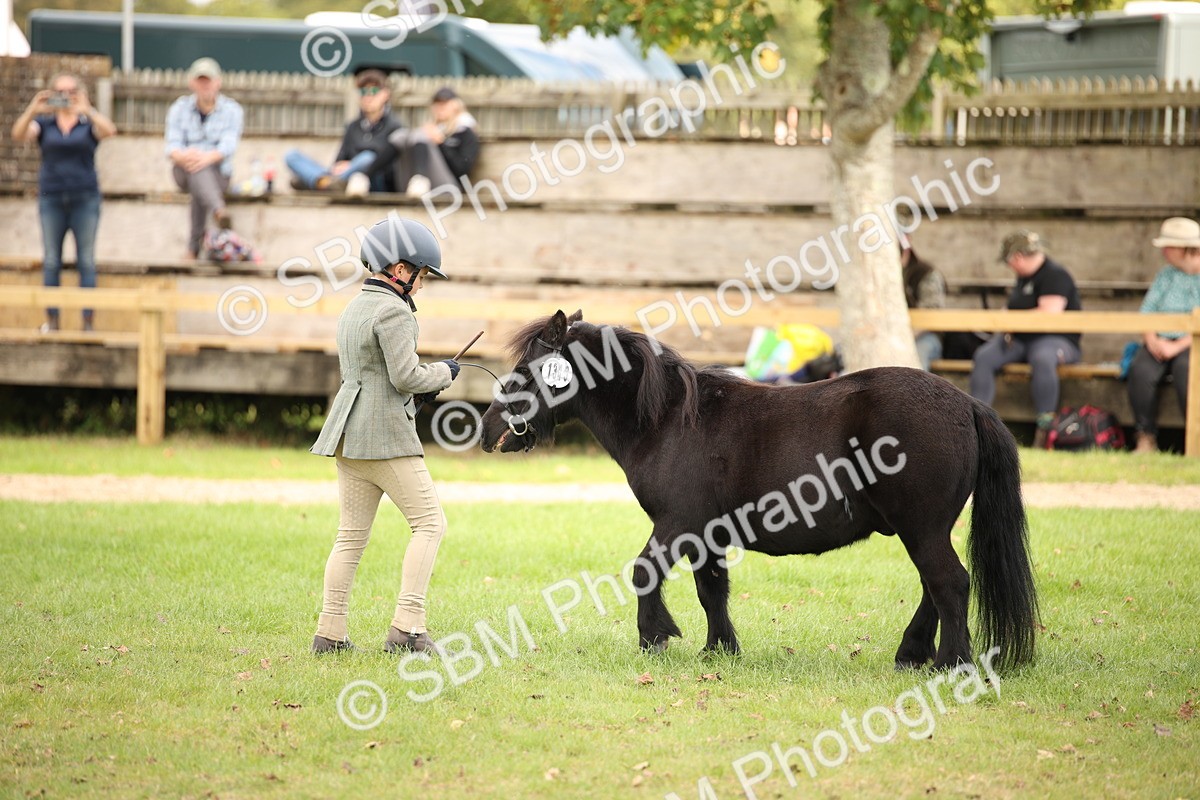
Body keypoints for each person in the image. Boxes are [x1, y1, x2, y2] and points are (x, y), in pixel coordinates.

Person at [309, 216, 461, 655]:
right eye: (422, 274)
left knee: (350, 538)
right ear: (399, 269)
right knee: (430, 524)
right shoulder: (394, 310)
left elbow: (374, 376)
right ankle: (408, 628)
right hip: (385, 439)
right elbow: (406, 374)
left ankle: (330, 633)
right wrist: (443, 374)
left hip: (348, 436)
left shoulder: (355, 306)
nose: (422, 283)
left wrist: (419, 388)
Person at [11, 73, 117, 332]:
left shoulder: (85, 123)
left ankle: (88, 322)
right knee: (51, 260)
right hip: (51, 197)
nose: (66, 96)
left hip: (85, 197)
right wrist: (33, 109)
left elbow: (109, 131)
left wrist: (88, 109)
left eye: (71, 91)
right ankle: (53, 320)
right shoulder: (45, 124)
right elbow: (18, 133)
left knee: (86, 261)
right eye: (60, 91)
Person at [969, 231, 1082, 448]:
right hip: (1019, 339)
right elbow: (1012, 308)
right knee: (984, 357)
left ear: (1018, 257)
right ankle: (978, 423)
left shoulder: (1055, 275)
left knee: (1042, 358)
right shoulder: (1022, 279)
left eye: (1009, 261)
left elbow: (1050, 313)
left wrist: (1011, 319)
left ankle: (1045, 426)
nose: (1010, 266)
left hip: (1055, 340)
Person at [1126, 217, 1200, 454]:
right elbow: (1147, 311)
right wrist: (1153, 340)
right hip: (1159, 340)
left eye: (1169, 246)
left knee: (1187, 371)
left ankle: (1193, 437)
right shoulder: (1166, 276)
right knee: (1140, 370)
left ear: (1184, 248)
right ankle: (1145, 437)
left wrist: (1178, 346)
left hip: (1191, 342)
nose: (1164, 251)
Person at [164, 57, 243, 260]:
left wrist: (204, 158)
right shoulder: (178, 108)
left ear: (218, 82)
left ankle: (193, 248)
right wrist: (185, 157)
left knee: (198, 178)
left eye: (208, 80)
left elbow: (228, 146)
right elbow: (171, 146)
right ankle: (218, 210)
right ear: (192, 83)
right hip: (183, 168)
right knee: (196, 171)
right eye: (200, 80)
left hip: (218, 173)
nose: (205, 85)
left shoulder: (233, 110)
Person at [285, 69, 403, 197]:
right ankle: (324, 183)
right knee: (292, 156)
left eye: (373, 92)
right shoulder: (353, 127)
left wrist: (352, 165)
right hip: (344, 178)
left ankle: (317, 183)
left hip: (371, 181)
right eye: (363, 92)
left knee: (367, 158)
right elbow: (340, 159)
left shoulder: (395, 127)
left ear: (385, 94)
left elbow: (389, 166)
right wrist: (340, 166)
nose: (368, 97)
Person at [389, 86, 480, 196]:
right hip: (412, 185)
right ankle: (364, 177)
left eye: (445, 103)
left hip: (449, 188)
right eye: (437, 104)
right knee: (401, 135)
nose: (440, 108)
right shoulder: (430, 128)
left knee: (420, 135)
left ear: (455, 105)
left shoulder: (465, 132)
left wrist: (441, 143)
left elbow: (462, 170)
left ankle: (420, 181)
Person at [900, 240, 947, 370]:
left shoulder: (925, 274)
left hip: (925, 336)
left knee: (916, 359)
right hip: (893, 335)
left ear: (905, 252)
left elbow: (931, 314)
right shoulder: (881, 274)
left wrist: (904, 336)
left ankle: (912, 391)